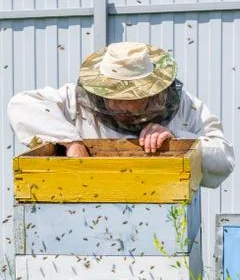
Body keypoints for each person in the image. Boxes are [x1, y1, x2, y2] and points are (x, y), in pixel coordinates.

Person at [8, 42, 234, 188]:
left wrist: (176, 136)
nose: (119, 106)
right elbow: (21, 105)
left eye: (129, 98)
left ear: (152, 91)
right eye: (112, 96)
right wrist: (71, 141)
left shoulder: (185, 107)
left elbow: (224, 159)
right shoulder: (75, 100)